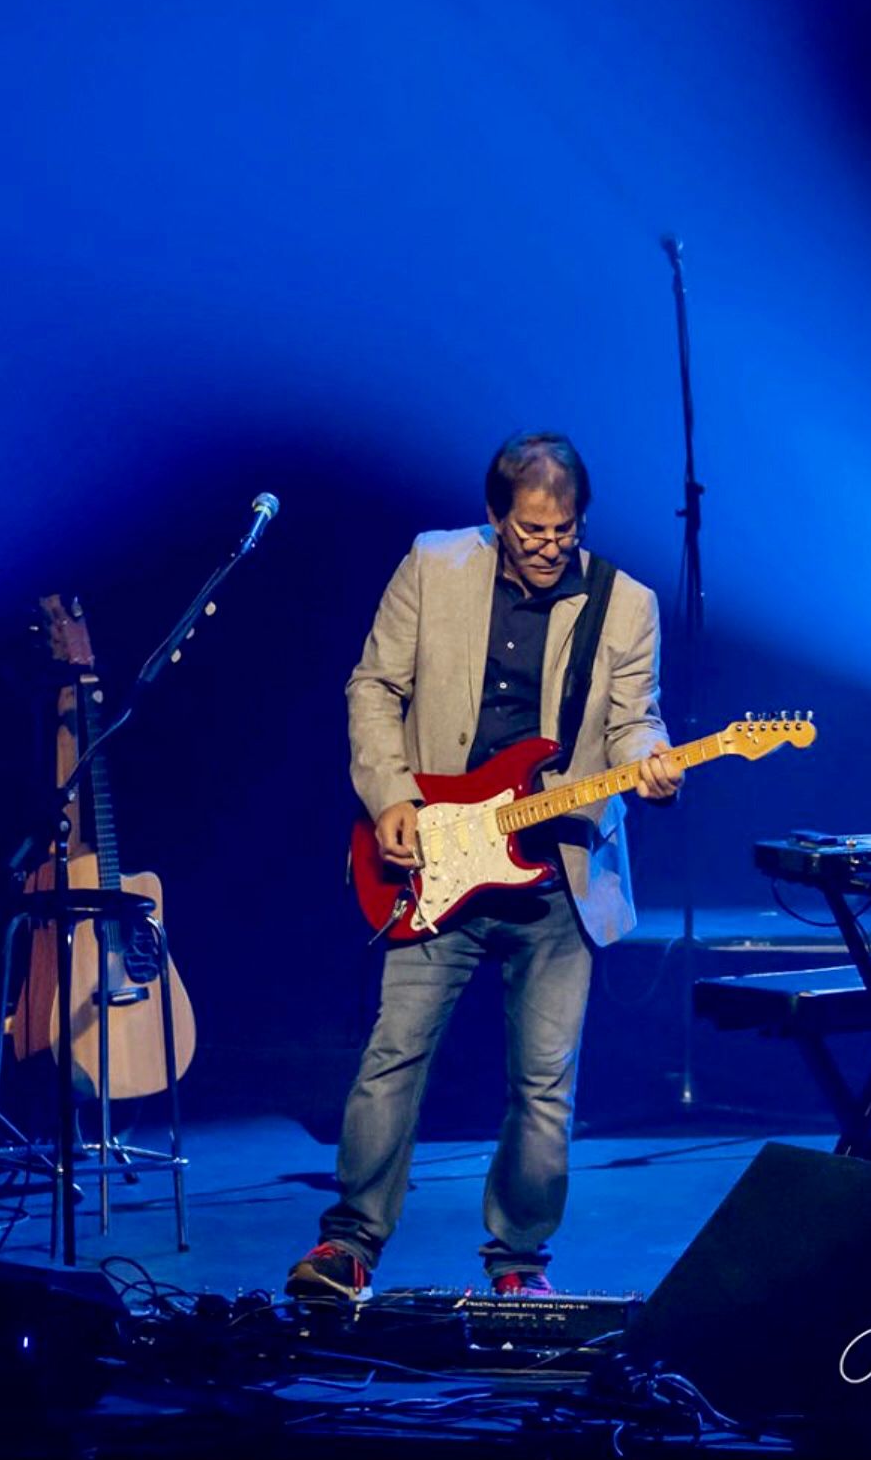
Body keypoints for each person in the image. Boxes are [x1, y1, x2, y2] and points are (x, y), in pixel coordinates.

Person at [287, 431, 682, 1301]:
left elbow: (633, 721)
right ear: (496, 516)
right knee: (394, 1052)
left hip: (557, 874)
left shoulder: (625, 603)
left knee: (543, 1085)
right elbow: (373, 686)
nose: (548, 547)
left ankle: (519, 1264)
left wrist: (650, 762)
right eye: (532, 531)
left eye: (564, 531)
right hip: (437, 859)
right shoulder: (433, 565)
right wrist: (390, 797)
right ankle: (348, 1244)